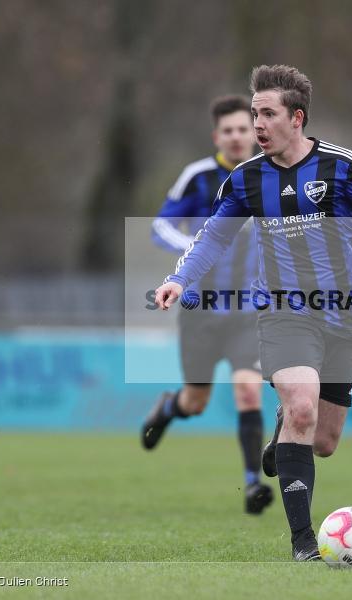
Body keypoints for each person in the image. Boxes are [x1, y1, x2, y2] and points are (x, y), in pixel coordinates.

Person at [153, 65, 352, 561]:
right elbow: (212, 237)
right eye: (253, 114)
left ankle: (283, 432)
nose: (257, 125)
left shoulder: (343, 166)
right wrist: (179, 279)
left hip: (343, 315)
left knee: (324, 440)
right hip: (283, 310)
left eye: (266, 114)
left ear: (297, 117)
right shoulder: (245, 179)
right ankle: (303, 542)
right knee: (303, 406)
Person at [141, 94, 273, 516]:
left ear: (254, 133)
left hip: (248, 311)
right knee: (195, 403)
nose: (237, 137)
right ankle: (169, 407)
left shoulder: (271, 176)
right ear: (217, 136)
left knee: (249, 390)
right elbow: (161, 224)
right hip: (200, 311)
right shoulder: (198, 178)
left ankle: (253, 483)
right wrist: (195, 248)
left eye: (243, 129)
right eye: (229, 130)